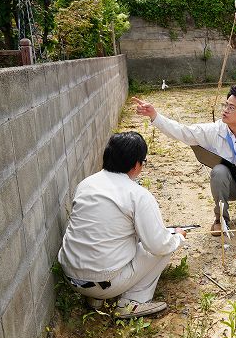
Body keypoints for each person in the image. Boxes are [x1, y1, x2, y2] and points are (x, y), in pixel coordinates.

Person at [58, 132, 186, 318]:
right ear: (136, 164)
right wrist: (178, 237)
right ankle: (133, 302)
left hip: (71, 276)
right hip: (103, 282)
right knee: (163, 246)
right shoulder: (138, 195)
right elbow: (158, 244)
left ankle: (95, 299)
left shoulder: (86, 184)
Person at [133, 86, 236, 236]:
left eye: (231, 107)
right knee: (219, 171)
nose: (225, 110)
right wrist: (154, 115)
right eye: (225, 105)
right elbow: (183, 132)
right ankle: (221, 220)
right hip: (227, 186)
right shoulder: (215, 130)